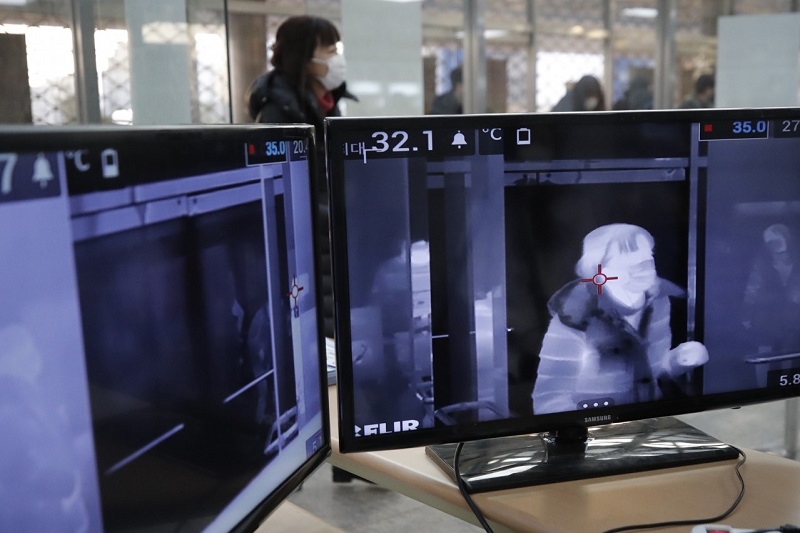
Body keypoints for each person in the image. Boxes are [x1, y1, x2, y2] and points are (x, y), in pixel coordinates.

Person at [246, 16, 356, 340]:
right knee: (318, 337)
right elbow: (282, 194)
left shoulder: (324, 106)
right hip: (308, 246)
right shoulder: (279, 114)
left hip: (331, 241)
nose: (337, 57)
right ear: (304, 56)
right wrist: (337, 214)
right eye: (329, 49)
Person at [531, 224, 709, 414]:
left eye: (647, 259)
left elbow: (654, 373)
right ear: (598, 270)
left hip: (648, 421)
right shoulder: (575, 317)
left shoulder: (658, 302)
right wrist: (590, 423)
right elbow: (548, 401)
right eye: (628, 263)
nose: (644, 269)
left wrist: (678, 360)